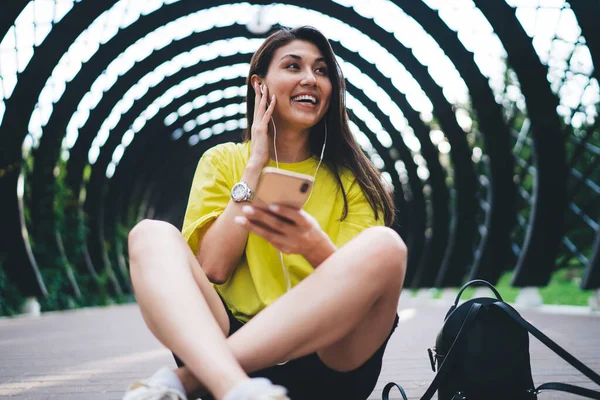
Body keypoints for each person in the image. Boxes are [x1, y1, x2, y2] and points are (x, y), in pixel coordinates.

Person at [123, 26, 407, 400]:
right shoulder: (223, 161)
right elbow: (214, 267)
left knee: (386, 245)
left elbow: (362, 290)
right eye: (294, 66)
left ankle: (188, 381)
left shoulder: (352, 178)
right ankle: (238, 389)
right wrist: (254, 167)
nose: (310, 78)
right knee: (149, 233)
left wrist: (312, 245)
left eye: (322, 71)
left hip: (328, 359)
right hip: (230, 344)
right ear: (259, 85)